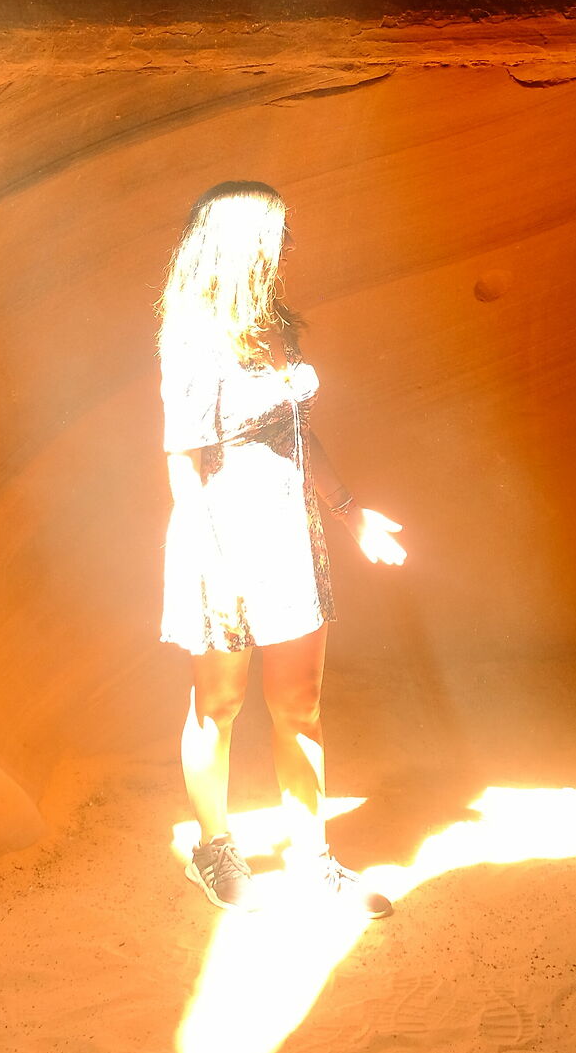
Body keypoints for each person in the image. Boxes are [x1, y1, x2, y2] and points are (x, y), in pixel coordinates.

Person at [157, 179, 407, 916]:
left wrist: (351, 513)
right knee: (219, 703)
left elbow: (298, 434)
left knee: (299, 703)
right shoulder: (194, 337)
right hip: (222, 539)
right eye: (278, 234)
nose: (290, 246)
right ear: (242, 245)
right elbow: (182, 461)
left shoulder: (274, 325)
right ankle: (213, 849)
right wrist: (211, 562)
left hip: (291, 539)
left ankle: (312, 860)